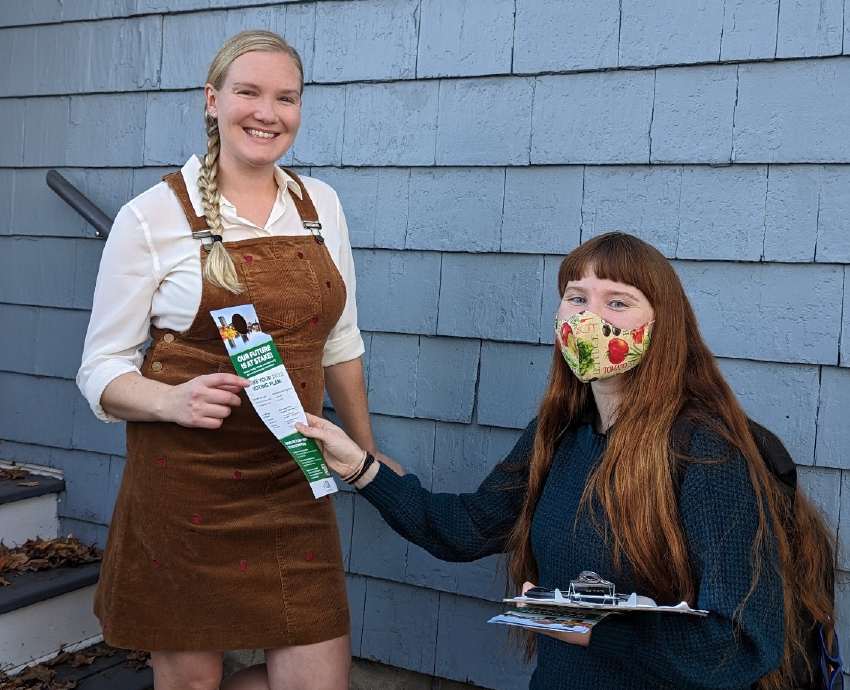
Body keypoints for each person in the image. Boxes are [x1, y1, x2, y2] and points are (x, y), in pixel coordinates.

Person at [297, 232, 838, 690]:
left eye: (617, 302)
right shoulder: (558, 434)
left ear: (662, 326)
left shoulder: (703, 450)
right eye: (576, 298)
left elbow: (741, 644)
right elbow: (463, 530)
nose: (589, 319)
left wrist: (584, 624)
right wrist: (359, 466)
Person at [77, 30, 375, 690]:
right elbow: (100, 366)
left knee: (318, 682)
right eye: (248, 92)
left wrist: (366, 457)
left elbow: (340, 342)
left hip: (294, 479)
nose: (267, 112)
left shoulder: (318, 204)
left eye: (286, 97)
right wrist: (169, 401)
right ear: (212, 101)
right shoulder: (151, 217)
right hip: (187, 491)